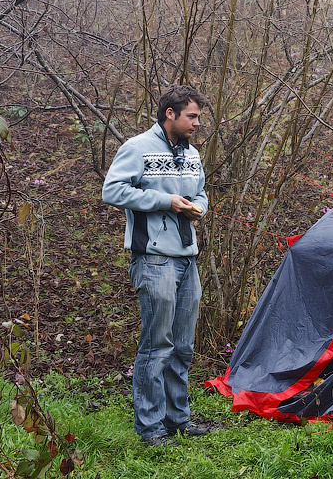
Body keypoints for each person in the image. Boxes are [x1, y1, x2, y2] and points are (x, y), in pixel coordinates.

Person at [102, 85, 209, 447]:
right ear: (170, 114)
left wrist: (198, 207)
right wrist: (167, 201)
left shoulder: (192, 153)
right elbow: (112, 191)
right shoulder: (137, 147)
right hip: (153, 258)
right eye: (191, 116)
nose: (197, 123)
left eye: (197, 116)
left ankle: (178, 421)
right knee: (156, 346)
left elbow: (201, 194)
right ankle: (151, 430)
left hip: (186, 258)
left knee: (182, 346)